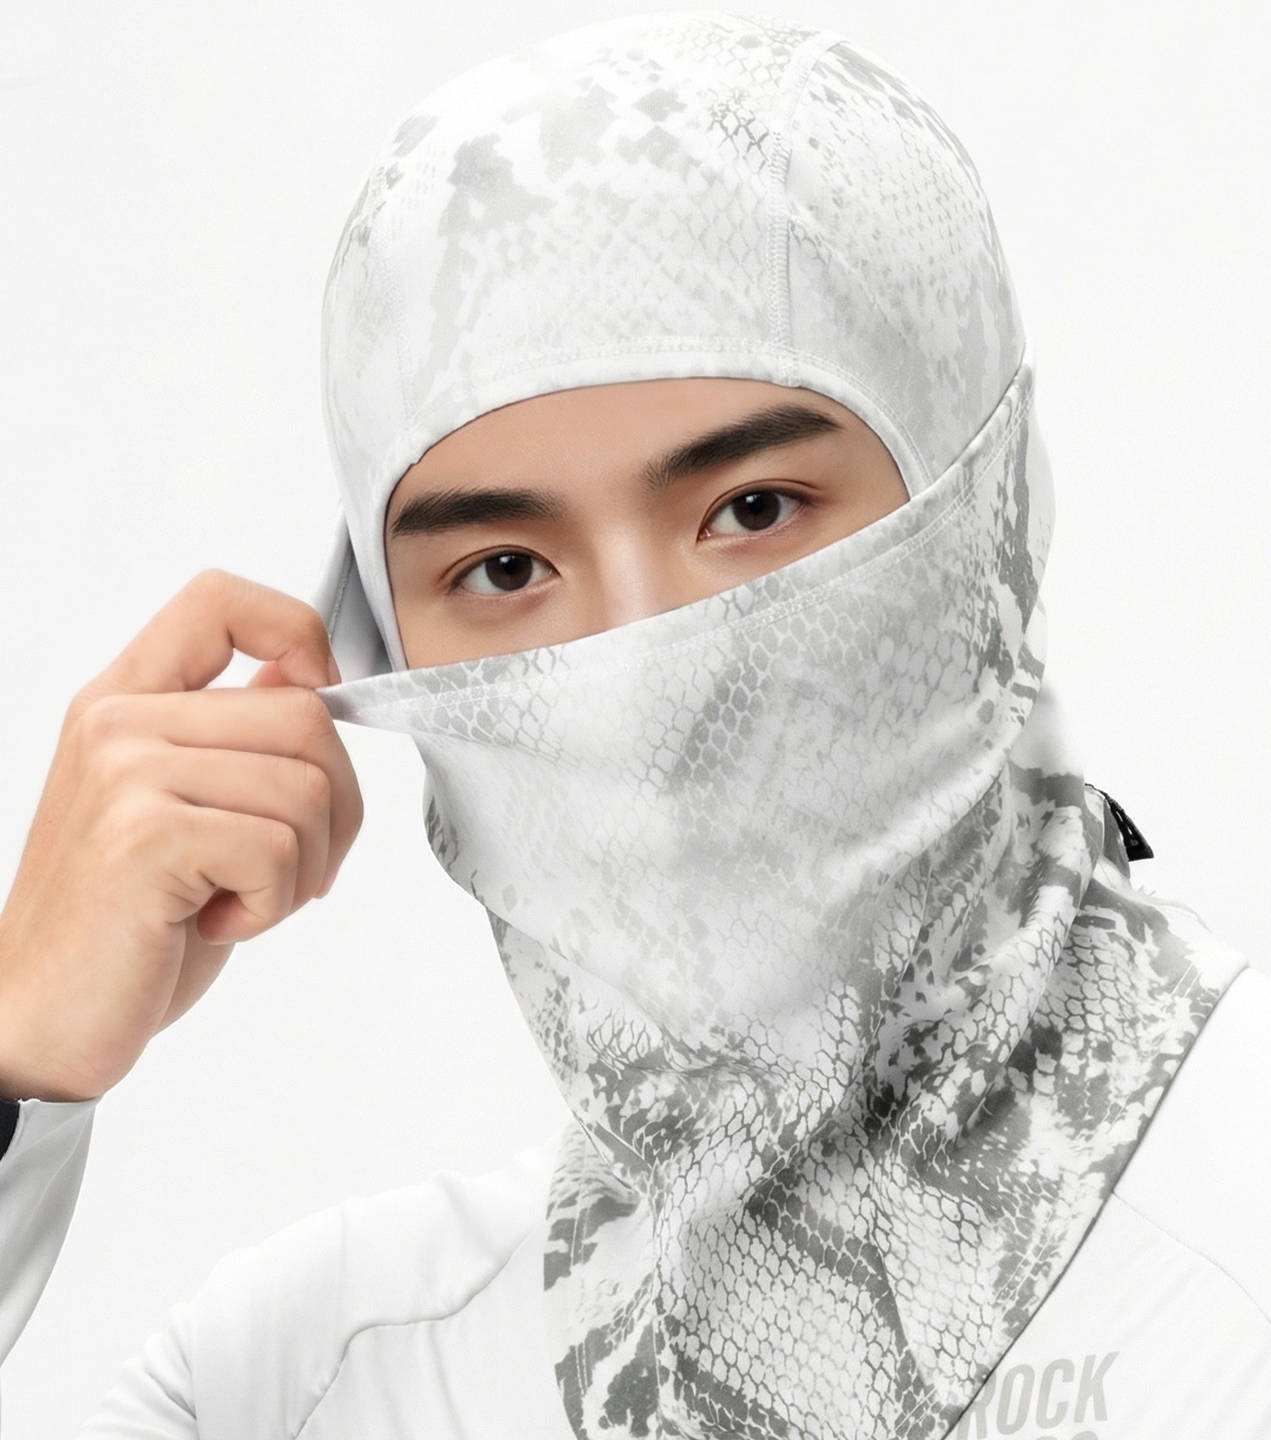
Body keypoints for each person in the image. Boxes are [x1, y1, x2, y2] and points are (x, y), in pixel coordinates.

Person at [1, 10, 1269, 1438]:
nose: (645, 694)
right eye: (506, 571)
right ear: (379, 649)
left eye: (753, 509)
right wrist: (16, 1063)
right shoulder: (309, 1380)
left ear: (993, 509)